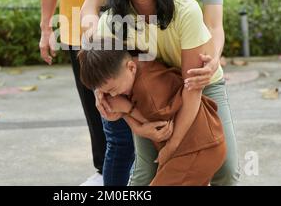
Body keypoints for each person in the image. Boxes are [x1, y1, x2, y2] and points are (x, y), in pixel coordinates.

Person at [81, 0, 251, 186]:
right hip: (149, 78)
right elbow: (89, 9)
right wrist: (103, 68)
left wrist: (211, 61)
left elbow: (214, 25)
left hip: (194, 73)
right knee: (145, 169)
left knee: (225, 168)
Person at [38, 0, 135, 186]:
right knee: (94, 106)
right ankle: (103, 171)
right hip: (74, 32)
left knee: (122, 100)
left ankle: (132, 169)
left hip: (113, 31)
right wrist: (45, 28)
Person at [77, 39, 226, 185]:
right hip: (200, 144)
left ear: (131, 68)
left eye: (113, 90)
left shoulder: (147, 90)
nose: (114, 96)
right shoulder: (139, 62)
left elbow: (163, 128)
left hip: (196, 150)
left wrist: (127, 109)